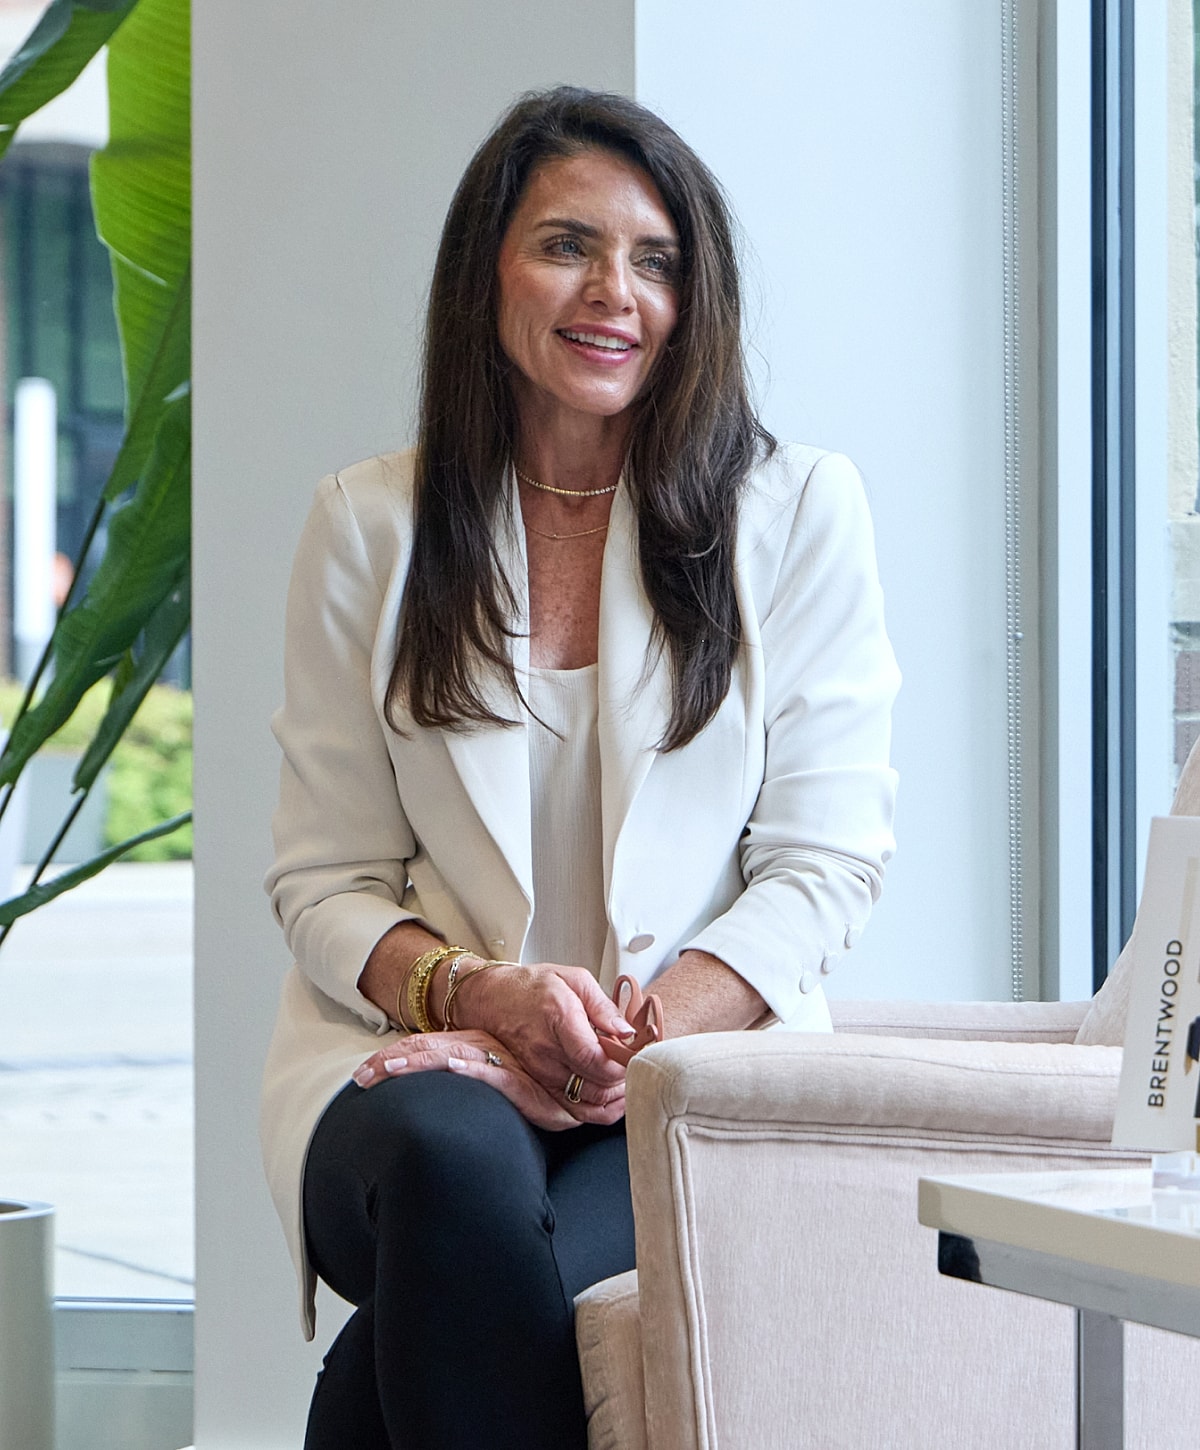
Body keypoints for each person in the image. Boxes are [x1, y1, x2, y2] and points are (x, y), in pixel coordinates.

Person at [261, 85, 900, 1450]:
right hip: (411, 1063)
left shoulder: (792, 515)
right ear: (485, 272)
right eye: (568, 245)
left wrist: (631, 1042)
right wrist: (479, 994)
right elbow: (323, 879)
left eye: (656, 260)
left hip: (682, 1077)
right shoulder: (369, 525)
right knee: (450, 1163)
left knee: (446, 1322)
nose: (616, 291)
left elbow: (827, 860)